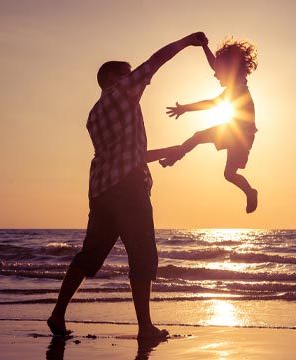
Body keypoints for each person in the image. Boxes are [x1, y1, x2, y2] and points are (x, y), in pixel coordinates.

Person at [47, 32, 208, 339]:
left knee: (89, 256)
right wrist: (187, 41)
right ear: (112, 77)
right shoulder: (123, 91)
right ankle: (145, 328)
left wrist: (170, 150)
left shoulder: (94, 115)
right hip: (129, 190)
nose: (134, 77)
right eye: (126, 72)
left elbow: (130, 155)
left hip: (102, 191)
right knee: (142, 255)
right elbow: (154, 62)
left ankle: (58, 314)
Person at [160, 38, 259, 213]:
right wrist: (204, 46)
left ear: (228, 70)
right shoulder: (235, 82)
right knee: (227, 172)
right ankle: (250, 191)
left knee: (224, 169)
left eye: (218, 72)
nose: (215, 75)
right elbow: (215, 65)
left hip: (240, 134)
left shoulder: (237, 88)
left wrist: (185, 108)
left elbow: (211, 103)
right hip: (237, 132)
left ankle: (250, 192)